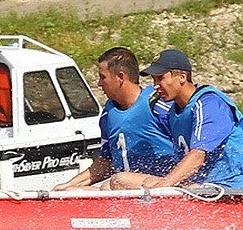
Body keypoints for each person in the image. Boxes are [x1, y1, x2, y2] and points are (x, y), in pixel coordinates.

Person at [111, 48, 243, 189]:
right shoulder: (172, 112)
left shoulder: (209, 104)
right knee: (120, 181)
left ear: (182, 77)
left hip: (230, 187)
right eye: (153, 80)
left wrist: (163, 187)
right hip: (198, 186)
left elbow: (197, 156)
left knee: (148, 184)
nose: (155, 86)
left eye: (160, 78)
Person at [54, 47, 175, 190]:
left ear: (121, 77)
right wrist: (68, 185)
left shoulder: (158, 105)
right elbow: (107, 161)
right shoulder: (107, 114)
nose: (99, 84)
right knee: (71, 192)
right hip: (125, 192)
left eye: (103, 77)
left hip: (164, 189)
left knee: (118, 181)